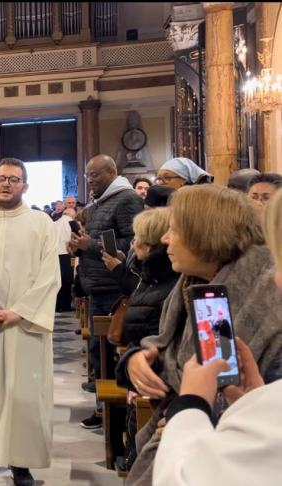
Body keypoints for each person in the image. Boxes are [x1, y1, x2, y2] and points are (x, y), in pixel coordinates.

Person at [116, 185, 282, 486]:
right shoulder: (192, 285)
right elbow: (166, 348)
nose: (165, 238)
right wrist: (135, 361)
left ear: (204, 233)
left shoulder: (264, 298)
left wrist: (191, 416)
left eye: (174, 230)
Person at [0, 158, 60, 486]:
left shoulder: (41, 222)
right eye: (1, 178)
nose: (6, 184)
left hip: (25, 325)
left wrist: (21, 310)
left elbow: (50, 276)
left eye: (14, 180)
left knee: (25, 394)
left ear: (25, 186)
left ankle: (21, 463)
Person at [101, 207, 179, 469]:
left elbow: (161, 337)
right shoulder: (150, 274)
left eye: (137, 237)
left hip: (160, 389)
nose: (133, 242)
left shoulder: (172, 280)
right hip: (143, 380)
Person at [68, 154, 144, 426]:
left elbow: (132, 241)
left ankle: (120, 418)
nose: (90, 180)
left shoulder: (127, 199)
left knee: (113, 354)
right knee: (99, 355)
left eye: (95, 175)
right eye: (88, 175)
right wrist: (79, 245)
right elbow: (98, 239)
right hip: (98, 288)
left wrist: (89, 245)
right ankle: (104, 411)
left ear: (112, 172)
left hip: (115, 289)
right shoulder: (102, 202)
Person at [55, 207, 77, 312]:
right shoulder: (71, 222)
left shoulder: (55, 222)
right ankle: (65, 305)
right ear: (72, 215)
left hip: (55, 255)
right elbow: (72, 239)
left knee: (57, 281)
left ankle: (57, 305)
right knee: (66, 281)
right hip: (66, 254)